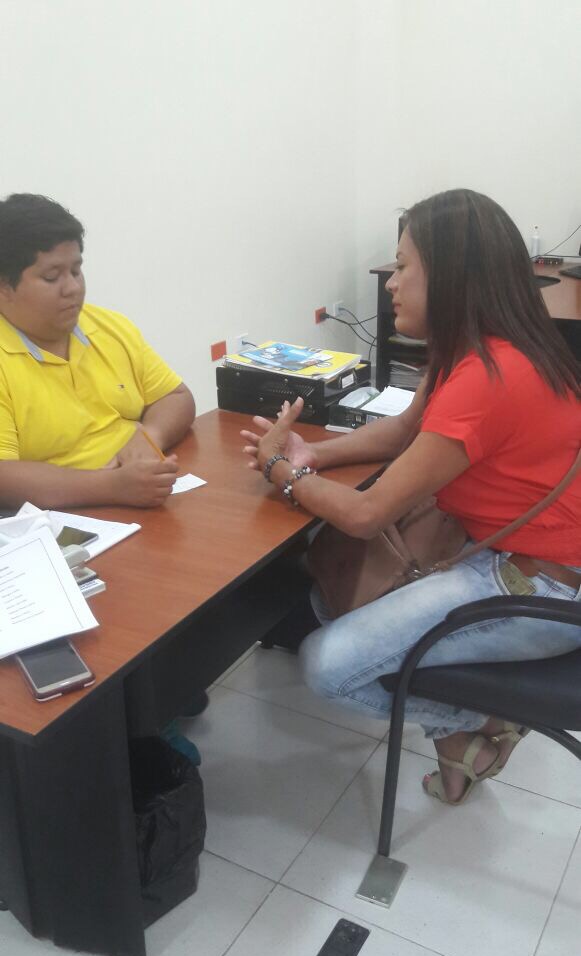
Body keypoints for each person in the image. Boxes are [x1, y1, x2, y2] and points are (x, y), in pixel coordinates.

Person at [241, 188, 581, 805]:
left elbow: (366, 514)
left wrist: (281, 472)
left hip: (541, 589)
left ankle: (471, 729)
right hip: (513, 555)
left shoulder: (488, 377)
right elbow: (403, 431)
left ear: (450, 276)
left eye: (402, 266)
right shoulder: (478, 350)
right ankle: (466, 732)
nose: (392, 283)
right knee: (334, 593)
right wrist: (314, 455)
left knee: (327, 664)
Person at [0, 193, 195, 509]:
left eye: (76, 271)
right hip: (66, 516)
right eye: (52, 277)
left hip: (142, 490)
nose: (73, 288)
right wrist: (112, 487)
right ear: (4, 287)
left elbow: (176, 396)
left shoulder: (108, 326)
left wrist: (149, 437)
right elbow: (4, 477)